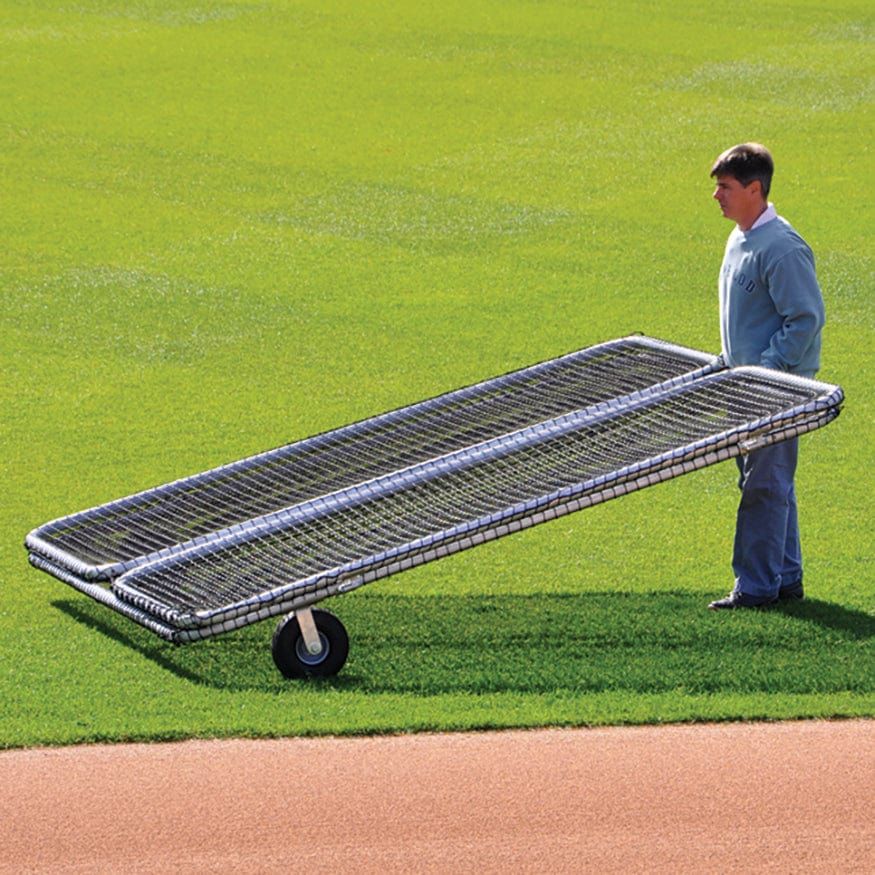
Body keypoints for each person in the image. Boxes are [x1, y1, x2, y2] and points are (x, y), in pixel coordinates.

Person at [707, 143, 825, 610]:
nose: (717, 195)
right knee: (769, 483)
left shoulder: (782, 248)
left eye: (725, 187)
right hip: (745, 384)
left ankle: (755, 588)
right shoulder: (740, 238)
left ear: (754, 189)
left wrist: (765, 371)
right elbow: (746, 320)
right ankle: (785, 578)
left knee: (764, 486)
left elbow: (805, 320)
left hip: (776, 391)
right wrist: (727, 363)